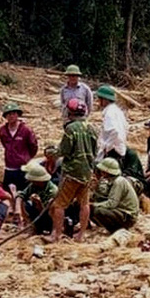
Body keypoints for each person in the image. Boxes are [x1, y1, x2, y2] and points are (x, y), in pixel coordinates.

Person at [50, 98, 97, 242]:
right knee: (84, 203)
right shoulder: (91, 128)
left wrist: (52, 152)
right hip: (87, 172)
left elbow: (64, 150)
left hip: (72, 173)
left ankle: (57, 235)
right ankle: (81, 235)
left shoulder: (71, 129)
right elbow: (95, 150)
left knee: (59, 204)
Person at [90, 158, 139, 234]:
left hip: (127, 216)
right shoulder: (112, 181)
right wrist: (96, 187)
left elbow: (112, 203)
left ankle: (115, 230)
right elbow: (103, 196)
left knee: (98, 211)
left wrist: (94, 205)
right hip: (120, 212)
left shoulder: (118, 182)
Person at [0, 102, 38, 192]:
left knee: (23, 192)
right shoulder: (2, 131)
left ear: (18, 115)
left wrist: (25, 157)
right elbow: (4, 144)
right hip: (9, 167)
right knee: (7, 192)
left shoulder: (26, 130)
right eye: (8, 114)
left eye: (13, 113)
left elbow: (33, 146)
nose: (11, 116)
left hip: (23, 168)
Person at [14, 163, 58, 234]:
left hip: (48, 216)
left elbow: (48, 212)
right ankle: (28, 223)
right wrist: (18, 210)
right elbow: (21, 195)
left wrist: (39, 203)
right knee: (25, 203)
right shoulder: (33, 186)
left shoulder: (52, 191)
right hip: (37, 212)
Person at [96, 85, 128, 162]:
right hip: (119, 148)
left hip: (113, 151)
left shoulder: (110, 113)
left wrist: (107, 147)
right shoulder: (118, 111)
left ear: (105, 100)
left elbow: (115, 131)